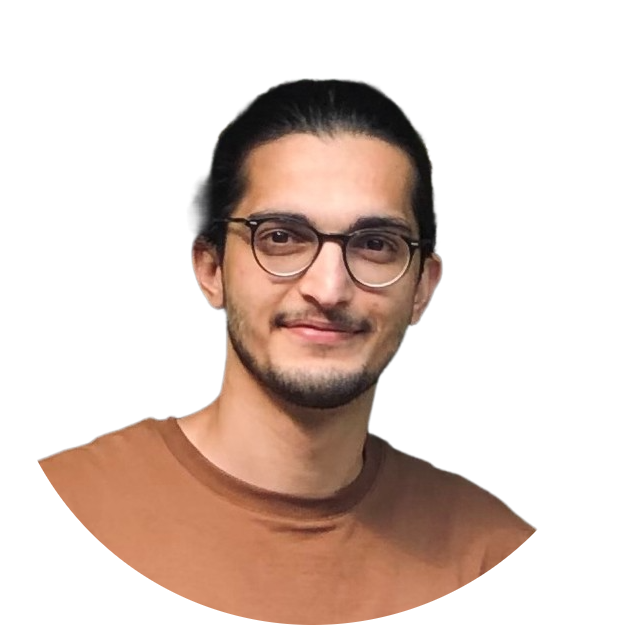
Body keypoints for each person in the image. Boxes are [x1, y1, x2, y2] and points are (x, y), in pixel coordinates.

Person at [38, 78, 535, 622]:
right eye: (280, 237)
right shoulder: (76, 500)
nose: (328, 288)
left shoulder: (490, 551)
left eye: (374, 244)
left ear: (422, 289)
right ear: (211, 269)